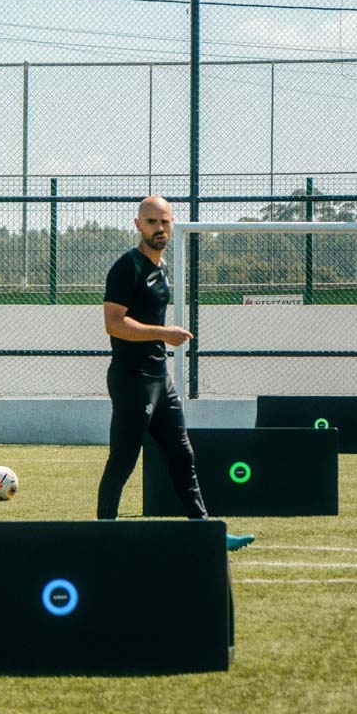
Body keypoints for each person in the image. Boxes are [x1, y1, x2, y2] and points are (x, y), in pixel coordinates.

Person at [96, 196, 254, 551]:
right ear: (138, 225)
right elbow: (114, 324)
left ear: (172, 222)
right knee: (123, 459)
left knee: (182, 455)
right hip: (131, 378)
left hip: (159, 378)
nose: (159, 229)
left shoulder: (162, 267)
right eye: (151, 222)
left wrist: (161, 341)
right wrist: (164, 333)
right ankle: (102, 532)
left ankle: (208, 533)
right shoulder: (127, 268)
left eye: (164, 222)